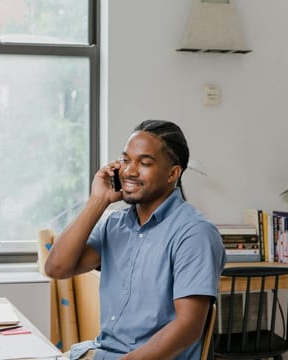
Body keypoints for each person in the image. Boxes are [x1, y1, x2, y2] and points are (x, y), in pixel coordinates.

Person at [45, 120, 226, 360]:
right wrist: (98, 201)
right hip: (101, 353)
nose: (130, 171)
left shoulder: (194, 233)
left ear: (173, 173)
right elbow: (56, 268)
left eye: (145, 163)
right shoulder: (114, 224)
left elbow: (188, 327)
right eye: (126, 160)